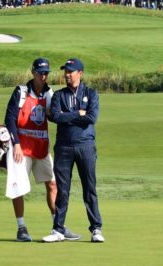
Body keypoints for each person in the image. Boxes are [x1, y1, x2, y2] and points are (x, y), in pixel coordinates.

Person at [4, 58, 81, 242]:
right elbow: (9, 119)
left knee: (52, 184)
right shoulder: (21, 92)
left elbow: (55, 116)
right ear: (33, 73)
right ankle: (21, 227)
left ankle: (58, 226)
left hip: (41, 147)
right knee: (19, 189)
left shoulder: (49, 94)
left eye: (46, 73)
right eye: (40, 73)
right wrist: (15, 144)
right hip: (21, 148)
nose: (43, 76)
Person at [42, 58, 105, 243]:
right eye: (65, 71)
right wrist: (78, 113)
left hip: (85, 146)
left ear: (80, 73)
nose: (67, 74)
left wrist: (67, 116)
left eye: (71, 71)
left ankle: (96, 229)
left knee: (89, 188)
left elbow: (92, 117)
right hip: (64, 147)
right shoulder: (59, 95)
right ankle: (58, 230)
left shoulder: (91, 93)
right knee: (62, 190)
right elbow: (56, 117)